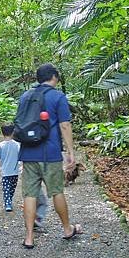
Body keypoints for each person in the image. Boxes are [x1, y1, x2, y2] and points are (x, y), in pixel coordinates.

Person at [17, 63, 83, 248]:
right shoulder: (58, 96)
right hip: (50, 153)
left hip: (28, 152)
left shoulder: (25, 96)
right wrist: (70, 152)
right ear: (54, 77)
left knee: (30, 195)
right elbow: (65, 125)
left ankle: (29, 238)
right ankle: (67, 229)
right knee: (56, 192)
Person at [0, 123, 21, 212]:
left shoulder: (0, 145)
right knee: (10, 187)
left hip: (5, 171)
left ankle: (8, 200)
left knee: (8, 188)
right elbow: (21, 156)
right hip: (14, 170)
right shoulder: (17, 145)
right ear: (13, 132)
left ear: (2, 133)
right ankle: (8, 203)